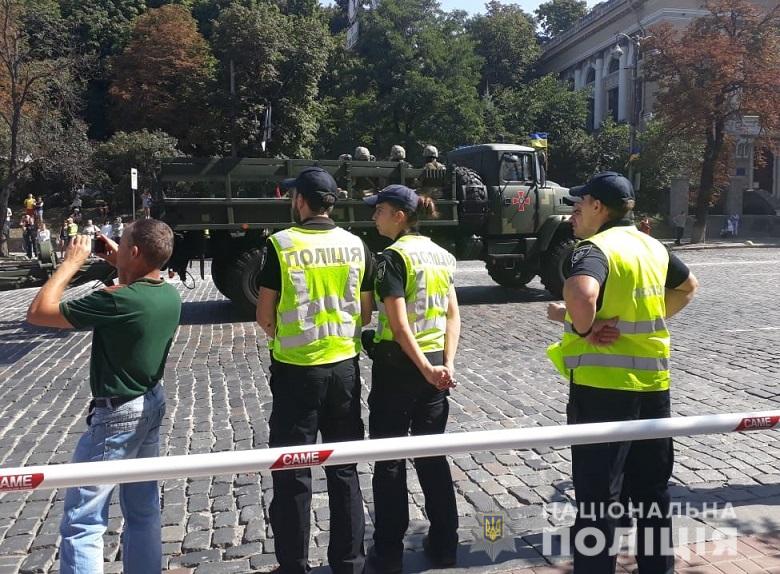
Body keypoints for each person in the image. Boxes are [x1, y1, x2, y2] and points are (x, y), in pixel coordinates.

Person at [545, 172, 699, 574]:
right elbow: (688, 287)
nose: (574, 210)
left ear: (600, 207)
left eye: (580, 203)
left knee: (597, 500)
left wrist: (584, 326)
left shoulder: (593, 248)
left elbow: (581, 293)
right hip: (653, 387)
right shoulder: (653, 247)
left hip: (602, 391)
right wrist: (649, 317)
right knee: (651, 494)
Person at [25, 218, 181, 574]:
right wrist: (122, 263)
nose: (116, 246)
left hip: (117, 415)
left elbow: (39, 313)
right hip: (151, 402)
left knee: (83, 519)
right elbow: (140, 284)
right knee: (143, 509)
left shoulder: (117, 301)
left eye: (122, 243)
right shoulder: (168, 293)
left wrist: (70, 263)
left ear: (136, 252)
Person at [256, 167, 375, 574]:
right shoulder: (356, 244)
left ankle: (293, 565)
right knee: (344, 468)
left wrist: (280, 337)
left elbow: (264, 312)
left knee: (292, 471)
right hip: (344, 369)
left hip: (296, 372)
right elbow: (365, 309)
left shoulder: (281, 244)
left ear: (301, 201)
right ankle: (348, 564)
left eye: (294, 196)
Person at [363, 185, 460, 573]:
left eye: (380, 210)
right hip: (435, 366)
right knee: (432, 455)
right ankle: (445, 543)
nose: (375, 216)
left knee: (388, 460)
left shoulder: (391, 258)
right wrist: (444, 366)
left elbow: (400, 326)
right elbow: (453, 316)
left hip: (399, 368)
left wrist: (423, 367)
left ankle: (388, 550)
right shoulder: (442, 255)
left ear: (400, 215)